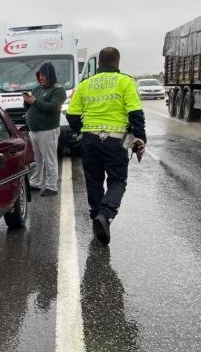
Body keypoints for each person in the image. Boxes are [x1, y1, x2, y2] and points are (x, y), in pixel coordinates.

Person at [66, 47, 146, 245]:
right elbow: (135, 113)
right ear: (118, 63)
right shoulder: (125, 81)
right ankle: (105, 214)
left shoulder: (85, 84)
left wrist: (80, 131)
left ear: (99, 63)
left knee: (93, 180)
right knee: (117, 180)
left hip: (90, 139)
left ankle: (96, 217)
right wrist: (140, 138)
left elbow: (72, 115)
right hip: (116, 140)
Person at [23, 62, 67, 196]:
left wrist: (35, 102)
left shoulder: (58, 90)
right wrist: (26, 101)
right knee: (37, 159)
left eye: (44, 75)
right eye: (40, 75)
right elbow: (29, 108)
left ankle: (52, 186)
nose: (41, 78)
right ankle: (35, 182)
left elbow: (53, 107)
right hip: (34, 130)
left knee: (49, 159)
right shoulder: (37, 89)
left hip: (48, 130)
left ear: (50, 75)